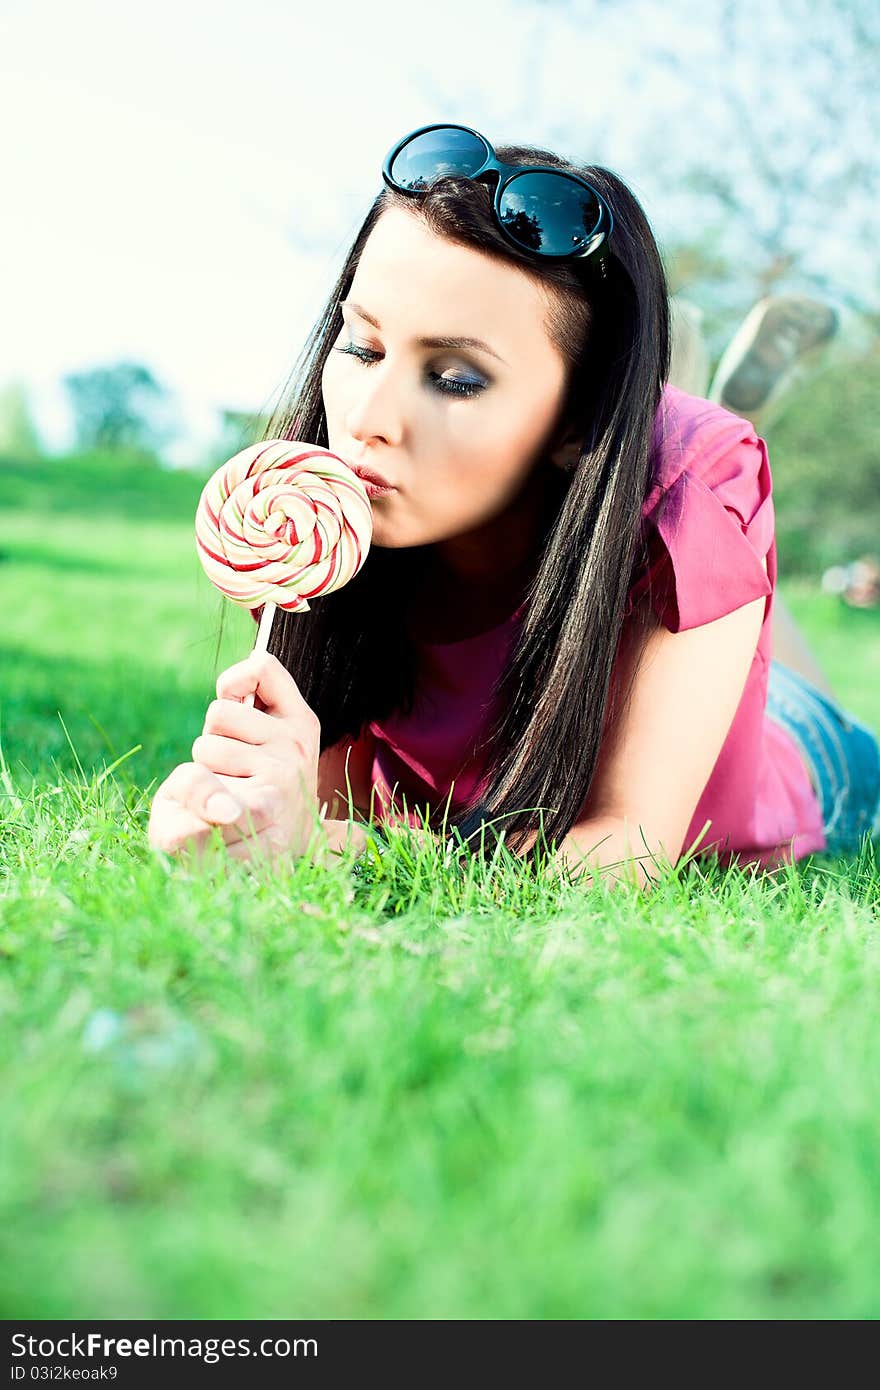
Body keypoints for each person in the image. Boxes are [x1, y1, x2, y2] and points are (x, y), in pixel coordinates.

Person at [148, 123, 880, 887]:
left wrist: (318, 847)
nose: (367, 417)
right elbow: (325, 805)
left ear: (577, 421)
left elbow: (626, 853)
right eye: (362, 348)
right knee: (693, 524)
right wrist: (251, 813)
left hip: (802, 750)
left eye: (456, 379)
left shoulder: (691, 489)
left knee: (699, 520)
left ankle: (683, 419)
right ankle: (672, 396)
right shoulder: (304, 526)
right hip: (619, 500)